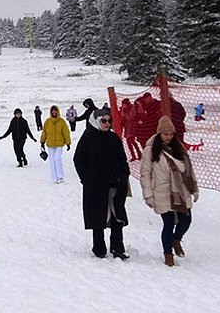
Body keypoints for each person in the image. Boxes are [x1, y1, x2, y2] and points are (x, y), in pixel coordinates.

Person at [140, 116, 199, 267]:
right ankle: (168, 255)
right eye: (165, 134)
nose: (168, 137)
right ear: (159, 134)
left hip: (181, 190)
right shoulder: (151, 150)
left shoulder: (179, 148)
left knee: (186, 220)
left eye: (171, 134)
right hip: (162, 191)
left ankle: (176, 239)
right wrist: (148, 195)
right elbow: (145, 173)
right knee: (168, 223)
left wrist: (194, 188)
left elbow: (189, 170)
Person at [73, 108, 130, 259]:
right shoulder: (88, 137)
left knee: (117, 217)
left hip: (115, 185)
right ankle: (99, 248)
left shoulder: (113, 138)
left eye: (109, 121)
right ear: (97, 121)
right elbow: (79, 159)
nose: (107, 124)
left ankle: (118, 248)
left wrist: (124, 175)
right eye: (103, 121)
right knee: (98, 217)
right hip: (96, 186)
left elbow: (122, 159)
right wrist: (86, 179)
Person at [40, 106, 72, 184]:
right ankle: (54, 177)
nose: (54, 112)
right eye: (53, 111)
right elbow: (44, 132)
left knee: (57, 158)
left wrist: (68, 143)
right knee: (52, 160)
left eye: (55, 111)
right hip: (50, 144)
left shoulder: (61, 121)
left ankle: (60, 176)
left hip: (59, 143)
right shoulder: (48, 121)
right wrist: (42, 141)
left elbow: (66, 132)